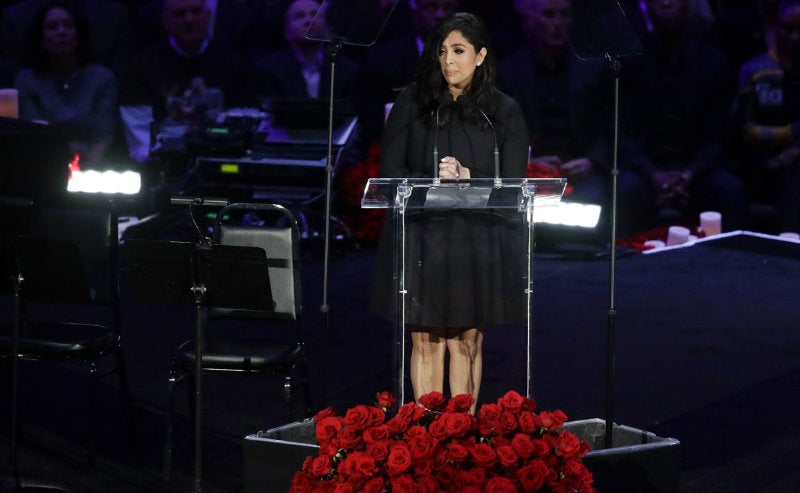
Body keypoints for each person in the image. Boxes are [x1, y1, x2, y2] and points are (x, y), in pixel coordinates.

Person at [371, 12, 529, 411]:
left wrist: (469, 177)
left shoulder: (503, 112)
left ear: (480, 56)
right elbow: (390, 173)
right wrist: (434, 182)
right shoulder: (413, 103)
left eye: (458, 51)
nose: (448, 61)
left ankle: (461, 438)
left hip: (476, 240)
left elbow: (512, 184)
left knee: (466, 339)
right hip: (425, 237)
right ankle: (426, 438)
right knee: (426, 339)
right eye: (442, 51)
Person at [616, 0, 748, 235]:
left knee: (730, 189)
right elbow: (620, 131)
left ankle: (730, 266)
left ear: (689, 6)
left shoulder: (713, 63)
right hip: (644, 169)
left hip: (696, 170)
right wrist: (651, 173)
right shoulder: (628, 62)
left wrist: (689, 175)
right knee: (625, 189)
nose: (666, 2)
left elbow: (718, 135)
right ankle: (624, 264)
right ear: (646, 8)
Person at [498, 0, 610, 208]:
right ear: (529, 21)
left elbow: (610, 127)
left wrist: (592, 161)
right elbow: (499, 133)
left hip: (581, 169)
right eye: (549, 15)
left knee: (596, 197)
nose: (558, 23)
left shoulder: (593, 70)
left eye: (565, 14)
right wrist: (527, 163)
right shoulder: (509, 73)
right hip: (531, 172)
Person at [14, 0, 118, 164]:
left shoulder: (102, 78)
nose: (61, 32)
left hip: (91, 166)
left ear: (78, 33)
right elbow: (33, 134)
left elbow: (103, 136)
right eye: (52, 27)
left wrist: (85, 170)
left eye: (68, 25)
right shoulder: (27, 80)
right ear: (41, 37)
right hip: (43, 164)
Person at [357, 0, 461, 154]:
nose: (440, 15)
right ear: (415, 11)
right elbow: (372, 125)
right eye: (431, 7)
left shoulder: (471, 59)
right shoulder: (384, 60)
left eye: (448, 8)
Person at [732, 0, 800, 233]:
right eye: (788, 29)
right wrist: (792, 131)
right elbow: (746, 129)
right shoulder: (753, 70)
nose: (795, 37)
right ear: (774, 26)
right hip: (760, 164)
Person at [253, 0, 360, 107]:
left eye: (315, 15)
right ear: (287, 32)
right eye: (300, 16)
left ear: (327, 29)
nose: (309, 21)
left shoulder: (347, 71)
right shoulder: (269, 69)